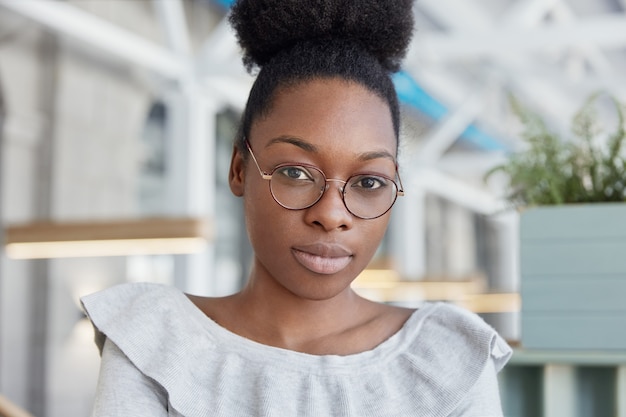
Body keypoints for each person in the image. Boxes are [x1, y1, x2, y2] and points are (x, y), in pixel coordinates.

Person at [81, 0, 512, 415]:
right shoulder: (154, 342)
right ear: (238, 170)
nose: (332, 214)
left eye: (368, 182)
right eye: (296, 172)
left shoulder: (446, 360)